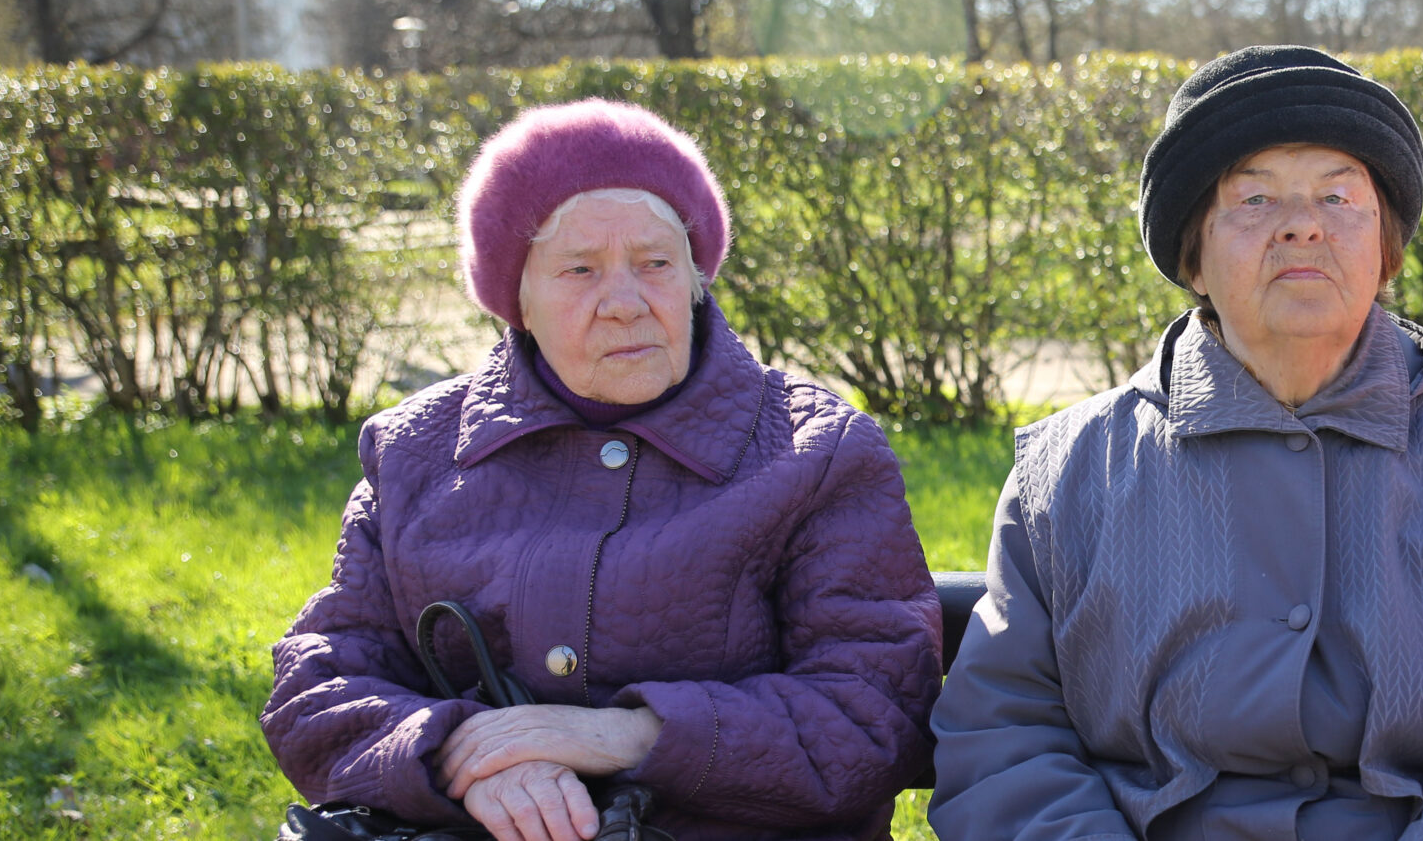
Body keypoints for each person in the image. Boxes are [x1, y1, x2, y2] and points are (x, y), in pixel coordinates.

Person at [927, 45, 1423, 841]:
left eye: (1338, 196)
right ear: (1192, 256)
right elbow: (1003, 740)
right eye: (1254, 198)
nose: (1302, 224)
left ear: (1386, 250)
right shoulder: (1068, 473)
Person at [262, 101, 939, 841]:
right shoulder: (413, 451)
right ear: (516, 299)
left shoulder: (818, 451)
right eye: (580, 269)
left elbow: (873, 714)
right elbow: (318, 686)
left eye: (656, 264)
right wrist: (470, 757)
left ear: (695, 277)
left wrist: (624, 736)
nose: (624, 303)